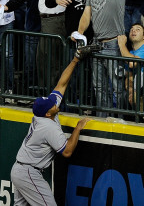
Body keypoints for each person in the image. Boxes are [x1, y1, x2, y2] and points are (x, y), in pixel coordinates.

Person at [76, 0, 143, 115]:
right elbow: (86, 16)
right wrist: (79, 34)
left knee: (118, 88)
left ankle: (121, 121)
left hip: (114, 44)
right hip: (96, 44)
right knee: (99, 88)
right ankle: (103, 120)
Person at [11, 54, 91, 206]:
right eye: (52, 105)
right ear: (48, 113)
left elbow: (61, 84)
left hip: (20, 169)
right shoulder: (47, 126)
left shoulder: (45, 114)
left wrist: (75, 59)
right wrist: (78, 128)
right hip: (28, 173)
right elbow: (67, 152)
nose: (55, 103)